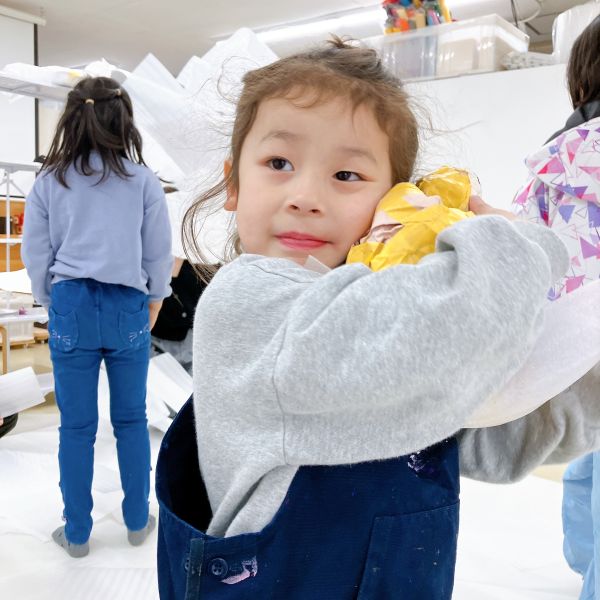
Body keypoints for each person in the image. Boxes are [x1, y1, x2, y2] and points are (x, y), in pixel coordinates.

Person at [155, 39, 600, 599]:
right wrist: (514, 243)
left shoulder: (390, 328)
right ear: (234, 184)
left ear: (395, 204)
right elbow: (444, 327)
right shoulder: (250, 303)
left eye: (346, 175)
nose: (305, 196)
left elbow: (494, 433)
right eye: (278, 164)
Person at [21, 76, 173, 558]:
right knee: (131, 420)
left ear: (71, 117)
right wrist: (156, 298)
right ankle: (136, 521)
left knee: (76, 427)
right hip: (129, 304)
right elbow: (158, 250)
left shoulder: (51, 179)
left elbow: (35, 251)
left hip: (71, 302)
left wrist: (51, 300)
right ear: (124, 118)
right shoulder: (143, 180)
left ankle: (78, 532)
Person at [513, 16, 600, 600]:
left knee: (587, 449)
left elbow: (525, 242)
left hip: (572, 344)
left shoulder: (554, 156)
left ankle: (582, 556)